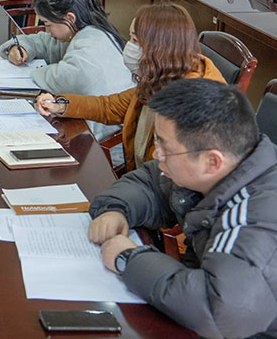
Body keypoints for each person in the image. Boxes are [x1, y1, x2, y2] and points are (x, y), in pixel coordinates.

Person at [87, 78, 277, 338]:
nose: (157, 155)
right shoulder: (225, 164)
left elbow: (220, 310)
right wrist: (116, 209)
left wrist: (128, 259)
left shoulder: (256, 214)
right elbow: (151, 181)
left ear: (212, 161)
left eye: (165, 148)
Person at [35, 3, 225, 172]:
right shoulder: (161, 79)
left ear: (159, 48)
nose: (129, 47)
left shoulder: (189, 106)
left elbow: (159, 175)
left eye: (135, 40)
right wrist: (60, 104)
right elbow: (109, 106)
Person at [0, 0, 134, 140]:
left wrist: (36, 71)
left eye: (48, 24)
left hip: (105, 141)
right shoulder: (77, 31)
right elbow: (42, 41)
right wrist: (20, 47)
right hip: (87, 127)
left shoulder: (92, 41)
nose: (47, 31)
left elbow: (65, 77)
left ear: (69, 18)